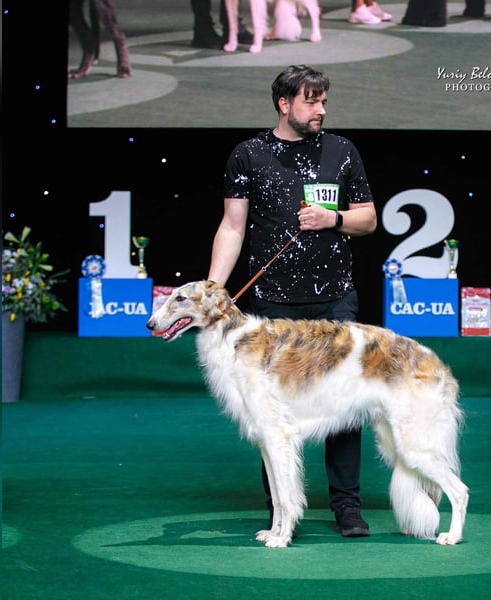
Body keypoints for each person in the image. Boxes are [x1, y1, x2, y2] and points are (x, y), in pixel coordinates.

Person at [207, 65, 378, 537]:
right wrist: (215, 290)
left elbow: (368, 220)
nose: (320, 109)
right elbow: (232, 227)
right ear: (284, 104)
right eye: (311, 101)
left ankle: (347, 506)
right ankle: (281, 508)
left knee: (344, 404)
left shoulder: (343, 151)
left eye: (324, 100)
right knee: (272, 411)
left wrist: (334, 218)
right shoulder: (249, 156)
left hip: (334, 301)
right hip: (272, 308)